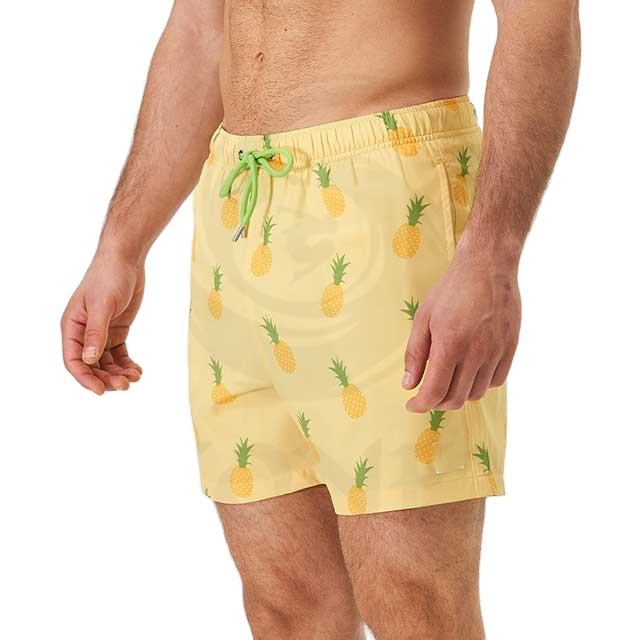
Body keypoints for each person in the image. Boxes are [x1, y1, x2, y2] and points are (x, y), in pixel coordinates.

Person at [61, 1, 580, 638]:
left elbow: (542, 19)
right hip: (238, 206)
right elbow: (199, 28)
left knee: (414, 599)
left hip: (388, 198)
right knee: (285, 606)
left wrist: (493, 253)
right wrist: (120, 245)